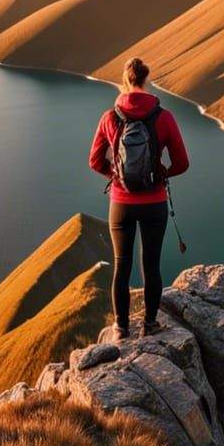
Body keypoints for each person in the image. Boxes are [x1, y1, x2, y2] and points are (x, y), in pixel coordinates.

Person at [89, 57, 189, 341]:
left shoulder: (110, 117)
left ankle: (121, 328)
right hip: (154, 202)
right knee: (152, 265)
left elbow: (95, 161)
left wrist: (116, 175)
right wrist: (161, 174)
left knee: (122, 264)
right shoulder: (164, 117)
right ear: (146, 81)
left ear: (125, 80)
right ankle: (150, 324)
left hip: (121, 203)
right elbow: (182, 162)